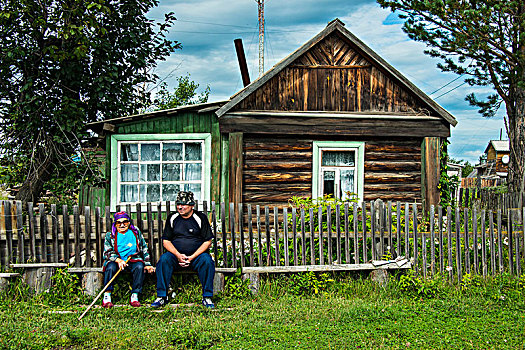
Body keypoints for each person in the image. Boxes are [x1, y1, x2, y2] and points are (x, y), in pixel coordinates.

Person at [151, 191, 216, 308]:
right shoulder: (173, 218)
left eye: (184, 204)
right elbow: (166, 241)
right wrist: (178, 255)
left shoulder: (200, 218)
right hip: (176, 257)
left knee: (207, 261)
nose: (180, 207)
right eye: (178, 204)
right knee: (164, 260)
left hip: (196, 257)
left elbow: (208, 242)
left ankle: (207, 297)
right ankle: (162, 296)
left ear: (192, 205)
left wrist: (192, 257)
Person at [102, 211, 155, 308]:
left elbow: (144, 248)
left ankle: (135, 295)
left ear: (129, 222)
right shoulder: (110, 235)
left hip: (132, 259)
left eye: (125, 222)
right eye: (119, 222)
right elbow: (107, 253)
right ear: (115, 224)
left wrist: (147, 263)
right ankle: (107, 296)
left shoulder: (135, 232)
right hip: (116, 260)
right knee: (110, 268)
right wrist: (118, 260)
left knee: (139, 267)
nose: (122, 225)